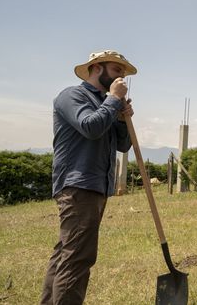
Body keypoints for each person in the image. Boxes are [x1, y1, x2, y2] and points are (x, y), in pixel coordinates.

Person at [41, 50, 137, 305]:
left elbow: (123, 145)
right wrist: (113, 100)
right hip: (78, 185)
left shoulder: (105, 102)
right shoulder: (72, 96)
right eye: (117, 71)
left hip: (95, 186)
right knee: (78, 259)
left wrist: (121, 117)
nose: (122, 79)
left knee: (66, 254)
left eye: (124, 74)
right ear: (97, 68)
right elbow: (90, 127)